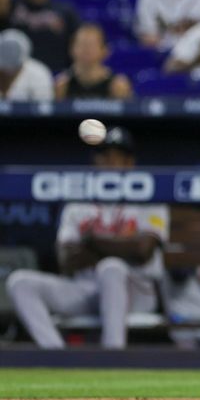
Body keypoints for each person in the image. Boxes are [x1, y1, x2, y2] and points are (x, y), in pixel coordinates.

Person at [6, 127, 169, 349]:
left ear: (130, 163)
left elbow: (142, 251)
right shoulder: (78, 201)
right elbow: (66, 261)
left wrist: (91, 242)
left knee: (111, 268)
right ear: (95, 162)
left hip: (135, 290)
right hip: (85, 289)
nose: (110, 163)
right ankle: (56, 356)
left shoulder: (150, 196)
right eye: (104, 156)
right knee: (20, 282)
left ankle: (112, 356)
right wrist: (119, 245)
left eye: (117, 157)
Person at [55, 23, 132, 100]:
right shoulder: (62, 85)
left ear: (105, 50)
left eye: (91, 45)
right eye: (81, 44)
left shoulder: (118, 86)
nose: (86, 50)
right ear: (71, 49)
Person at [0, 29, 53, 100]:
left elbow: (45, 105)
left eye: (14, 50)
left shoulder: (39, 72)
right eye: (6, 51)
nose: (10, 53)